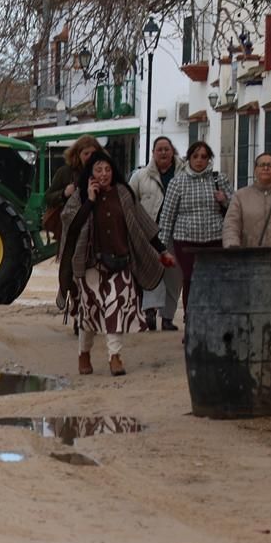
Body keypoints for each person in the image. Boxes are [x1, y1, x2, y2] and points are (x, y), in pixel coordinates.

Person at [57, 150, 175, 377]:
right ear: (90, 173)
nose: (103, 174)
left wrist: (162, 250)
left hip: (121, 263)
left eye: (107, 169)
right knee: (89, 314)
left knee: (116, 309)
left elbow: (142, 224)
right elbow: (71, 226)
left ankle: (115, 357)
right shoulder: (81, 196)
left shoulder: (124, 193)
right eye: (98, 170)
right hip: (91, 265)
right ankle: (84, 353)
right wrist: (90, 202)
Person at [156, 140, 230, 317]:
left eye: (203, 157)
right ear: (188, 158)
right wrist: (162, 247)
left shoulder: (219, 179)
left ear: (209, 159)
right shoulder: (178, 182)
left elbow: (234, 209)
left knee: (213, 280)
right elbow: (167, 215)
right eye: (195, 156)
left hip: (214, 238)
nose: (199, 161)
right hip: (186, 241)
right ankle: (192, 321)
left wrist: (224, 200)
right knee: (190, 278)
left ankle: (213, 320)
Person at [131, 137, 182, 331]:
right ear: (153, 152)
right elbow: (130, 201)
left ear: (172, 151)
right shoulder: (140, 176)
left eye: (166, 149)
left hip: (177, 232)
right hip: (149, 232)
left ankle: (168, 317)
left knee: (174, 276)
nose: (163, 153)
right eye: (159, 149)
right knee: (151, 273)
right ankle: (149, 312)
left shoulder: (183, 173)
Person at [42, 134, 100, 242]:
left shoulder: (104, 172)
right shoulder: (65, 172)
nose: (90, 156)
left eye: (93, 153)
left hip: (97, 227)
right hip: (71, 227)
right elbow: (48, 197)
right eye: (86, 153)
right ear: (78, 155)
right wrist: (64, 193)